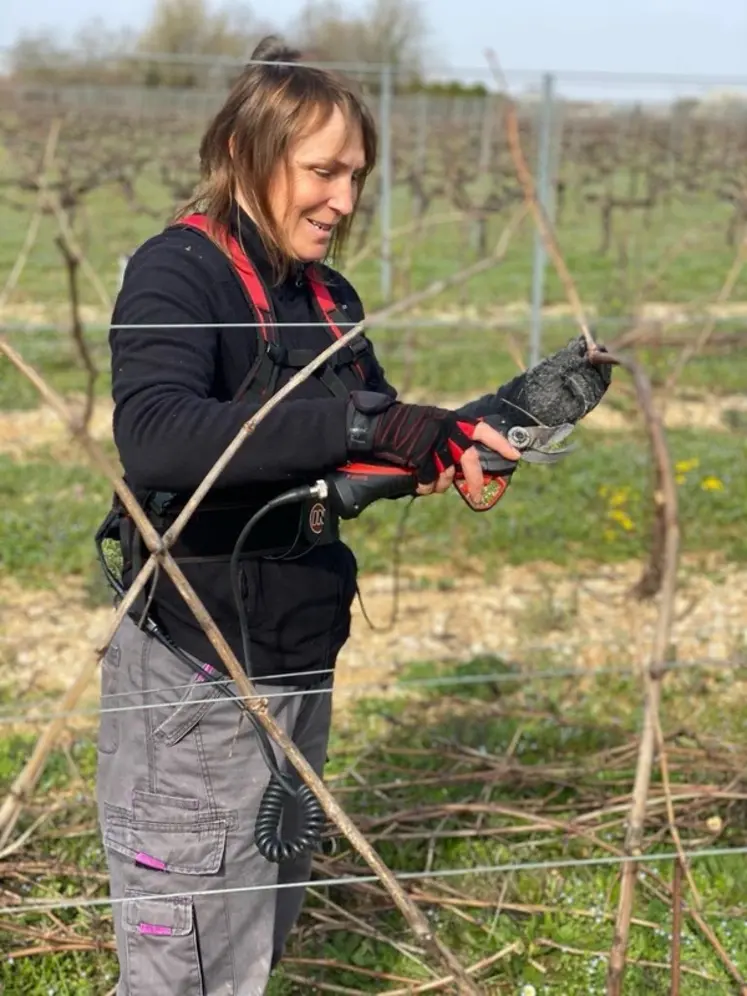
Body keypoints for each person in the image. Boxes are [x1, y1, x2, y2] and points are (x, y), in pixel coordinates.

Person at [95, 36, 611, 996]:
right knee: (186, 970)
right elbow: (158, 438)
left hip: (293, 658)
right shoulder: (178, 273)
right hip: (197, 671)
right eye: (320, 172)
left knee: (252, 944)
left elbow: (370, 436)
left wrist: (488, 422)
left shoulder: (327, 298)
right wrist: (361, 421)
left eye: (355, 176)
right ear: (247, 156)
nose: (341, 200)